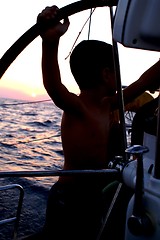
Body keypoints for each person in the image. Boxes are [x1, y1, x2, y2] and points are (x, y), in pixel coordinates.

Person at [34, 5, 160, 240]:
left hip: (94, 194)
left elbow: (143, 83)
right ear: (106, 74)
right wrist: (49, 43)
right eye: (117, 70)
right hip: (69, 195)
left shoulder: (109, 104)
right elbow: (54, 85)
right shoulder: (78, 107)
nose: (121, 77)